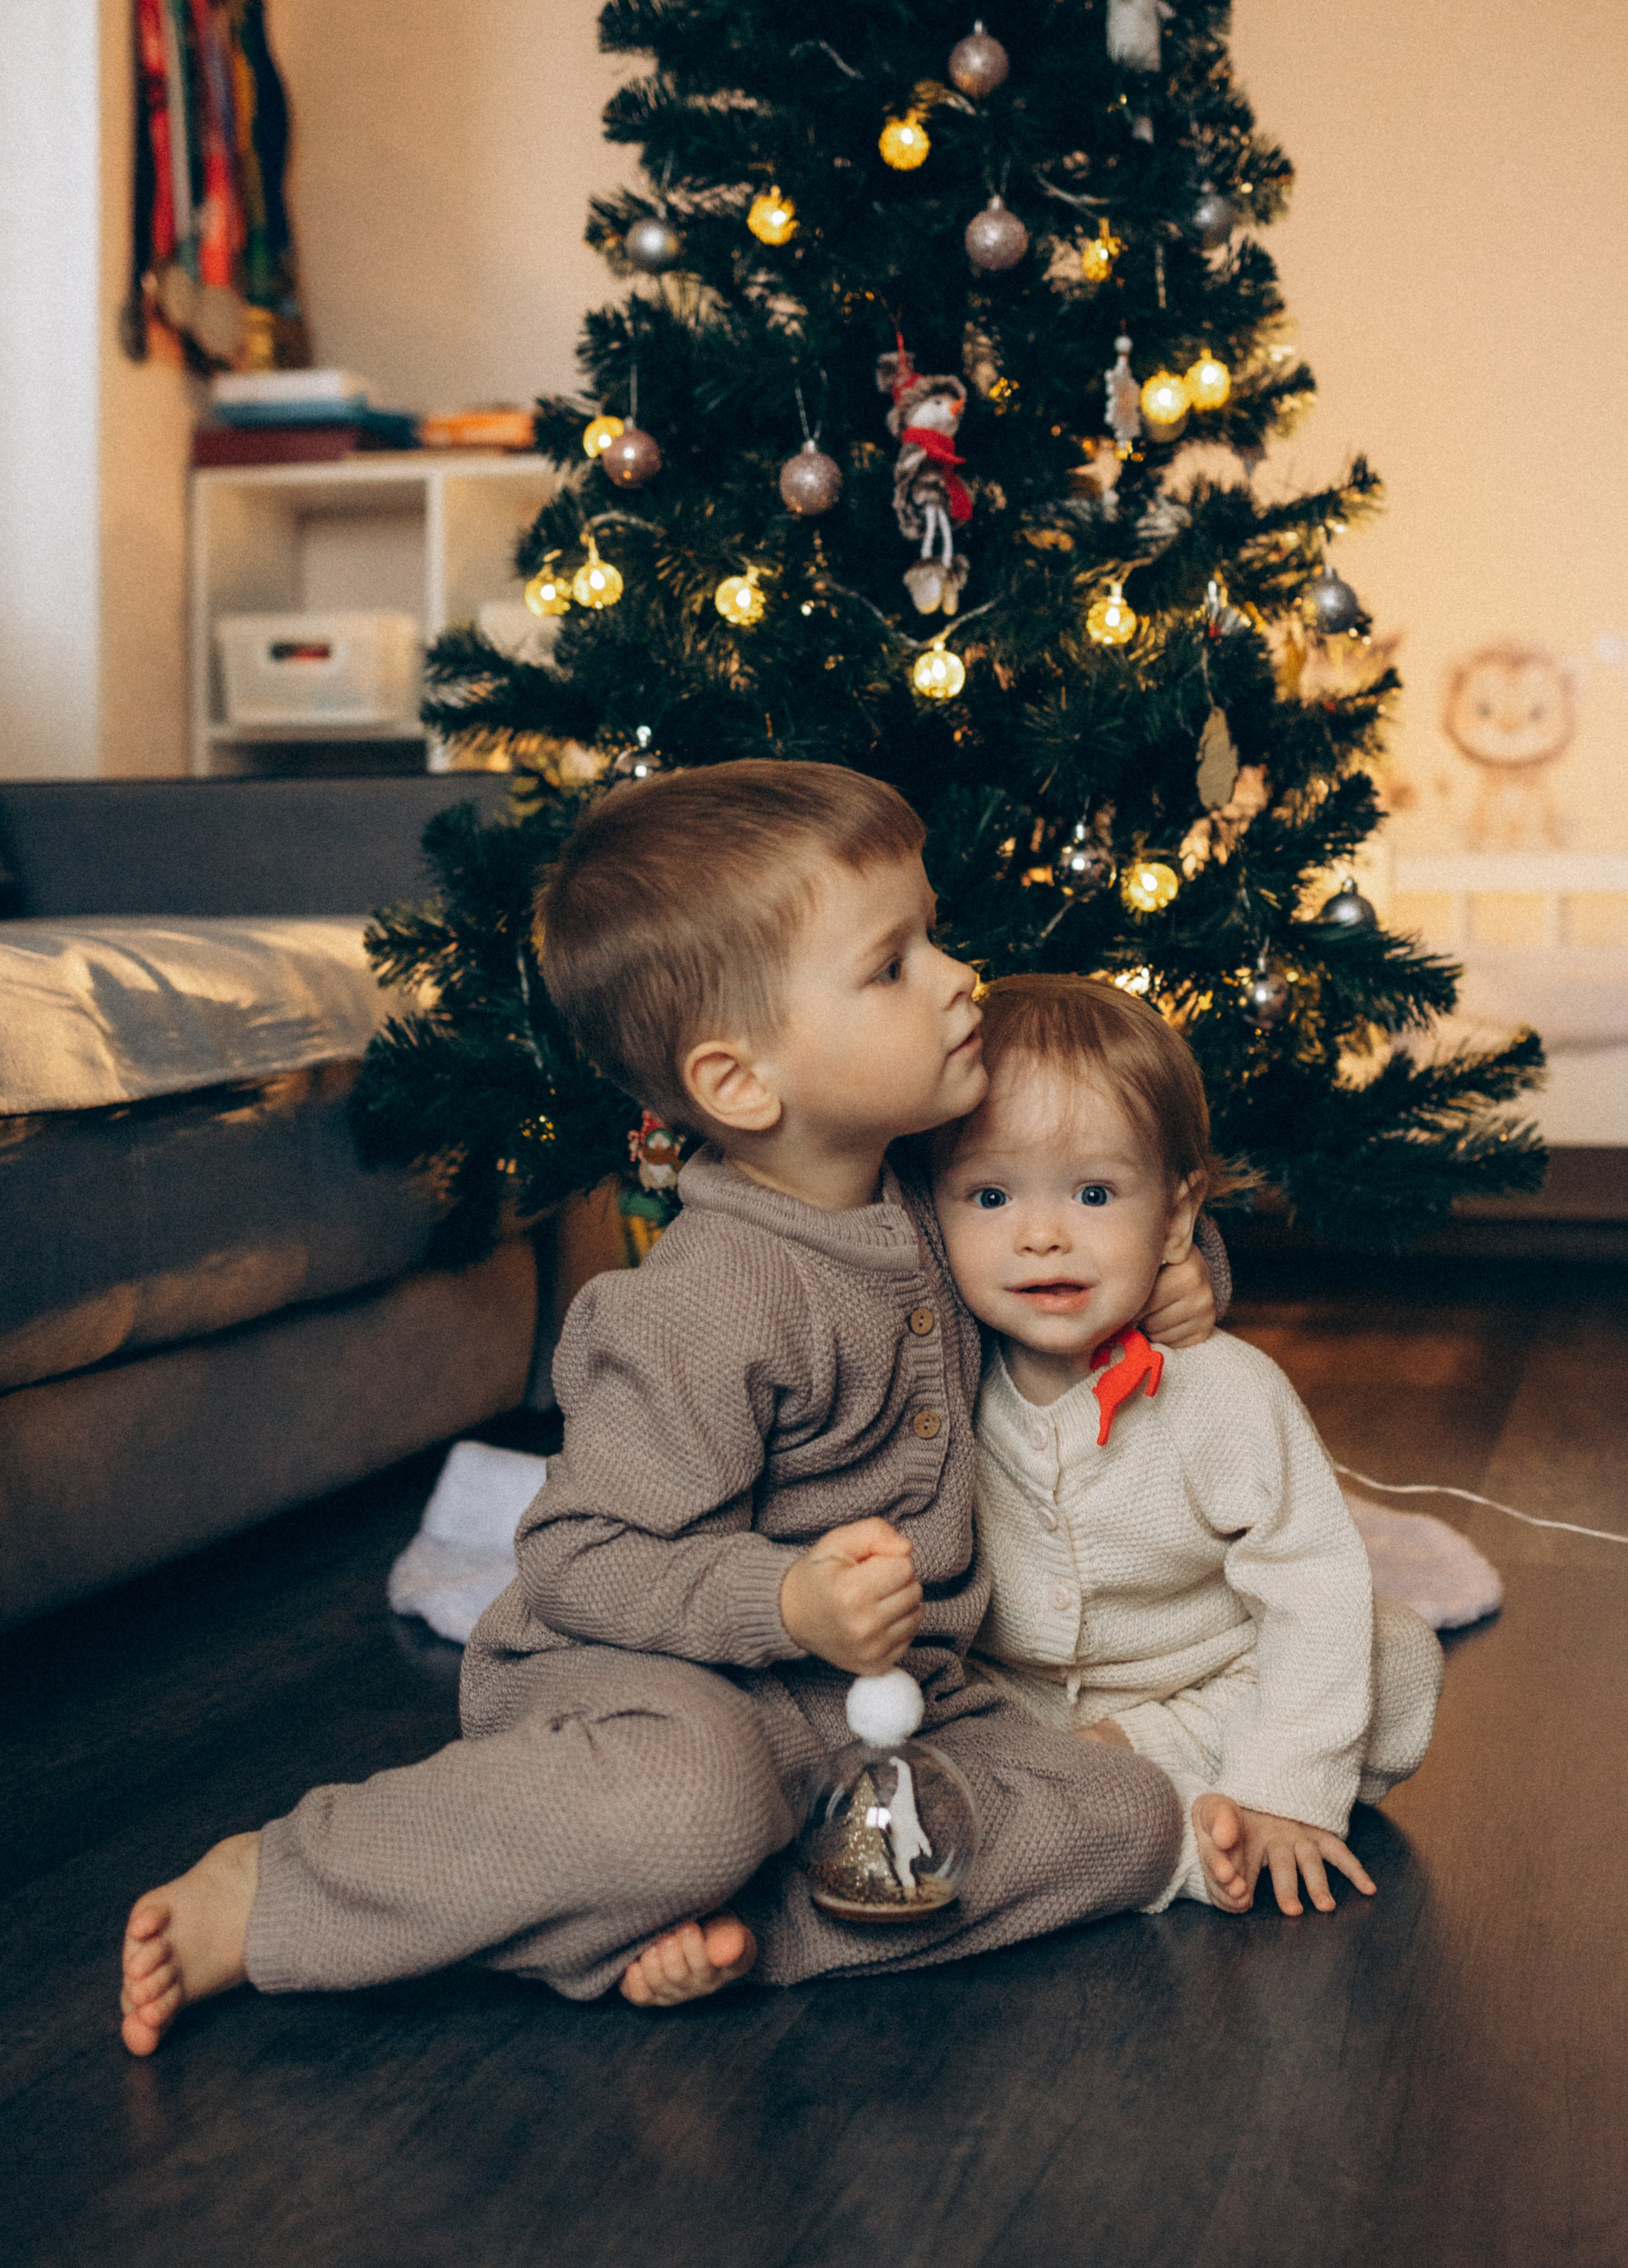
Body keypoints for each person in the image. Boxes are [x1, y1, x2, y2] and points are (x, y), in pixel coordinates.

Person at [120, 763, 1222, 2052]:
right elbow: (575, 1560)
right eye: (892, 963)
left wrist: (1176, 1282)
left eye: (930, 934)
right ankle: (293, 1882)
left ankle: (749, 1935)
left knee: (1128, 1814)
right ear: (741, 1082)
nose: (954, 976)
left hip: (879, 1701)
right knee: (691, 1805)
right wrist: (787, 1604)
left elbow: (1090, 1222)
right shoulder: (711, 1300)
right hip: (652, 1687)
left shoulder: (941, 1179)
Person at [932, 973, 1444, 1919]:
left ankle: (1162, 1792)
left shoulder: (1226, 1391)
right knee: (905, 1744)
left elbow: (1311, 1585)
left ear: (1174, 1215)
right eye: (991, 1194)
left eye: (1094, 1192)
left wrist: (1281, 1789)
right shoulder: (935, 1371)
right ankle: (1144, 1814)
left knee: (1395, 1655)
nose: (1043, 1235)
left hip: (1209, 1676)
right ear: (933, 1213)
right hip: (1008, 1702)